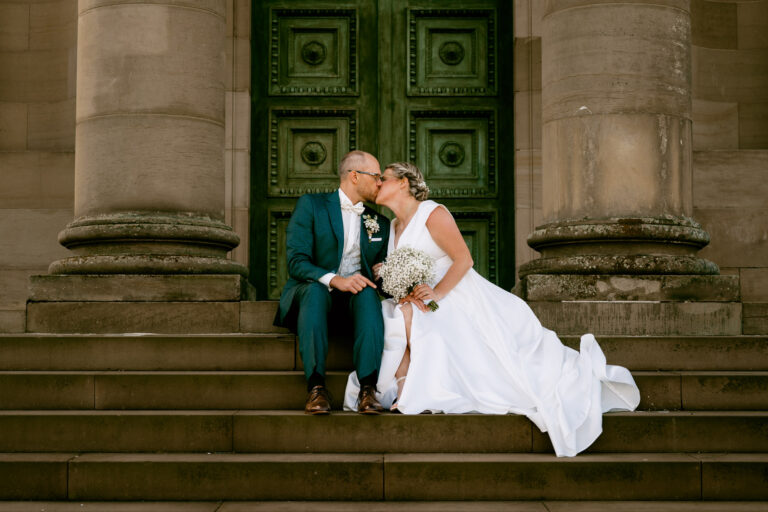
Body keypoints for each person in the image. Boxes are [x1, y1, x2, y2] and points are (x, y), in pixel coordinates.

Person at [343, 162, 640, 456]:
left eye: (384, 178)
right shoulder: (393, 226)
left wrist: (436, 293)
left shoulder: (433, 213)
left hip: (455, 293)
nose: (378, 183)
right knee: (394, 315)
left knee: (413, 319)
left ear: (403, 183)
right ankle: (404, 389)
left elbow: (464, 260)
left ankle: (411, 391)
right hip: (417, 297)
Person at [275, 150, 391, 415]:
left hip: (355, 304)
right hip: (313, 296)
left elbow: (381, 282)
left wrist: (385, 275)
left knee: (368, 294)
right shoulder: (312, 206)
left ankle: (368, 389)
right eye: (376, 177)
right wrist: (336, 280)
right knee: (316, 291)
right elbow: (296, 262)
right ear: (354, 176)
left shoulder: (379, 222)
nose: (380, 183)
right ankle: (316, 388)